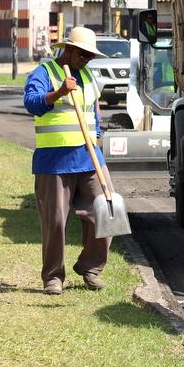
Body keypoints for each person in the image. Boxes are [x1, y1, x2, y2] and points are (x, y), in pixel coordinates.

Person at [22, 27, 111, 295]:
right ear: (68, 50)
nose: (86, 60)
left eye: (90, 56)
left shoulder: (87, 76)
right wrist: (59, 92)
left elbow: (94, 108)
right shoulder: (44, 73)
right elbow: (31, 103)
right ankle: (53, 277)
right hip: (54, 162)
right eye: (83, 54)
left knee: (106, 212)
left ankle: (91, 267)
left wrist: (97, 135)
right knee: (56, 220)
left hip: (89, 157)